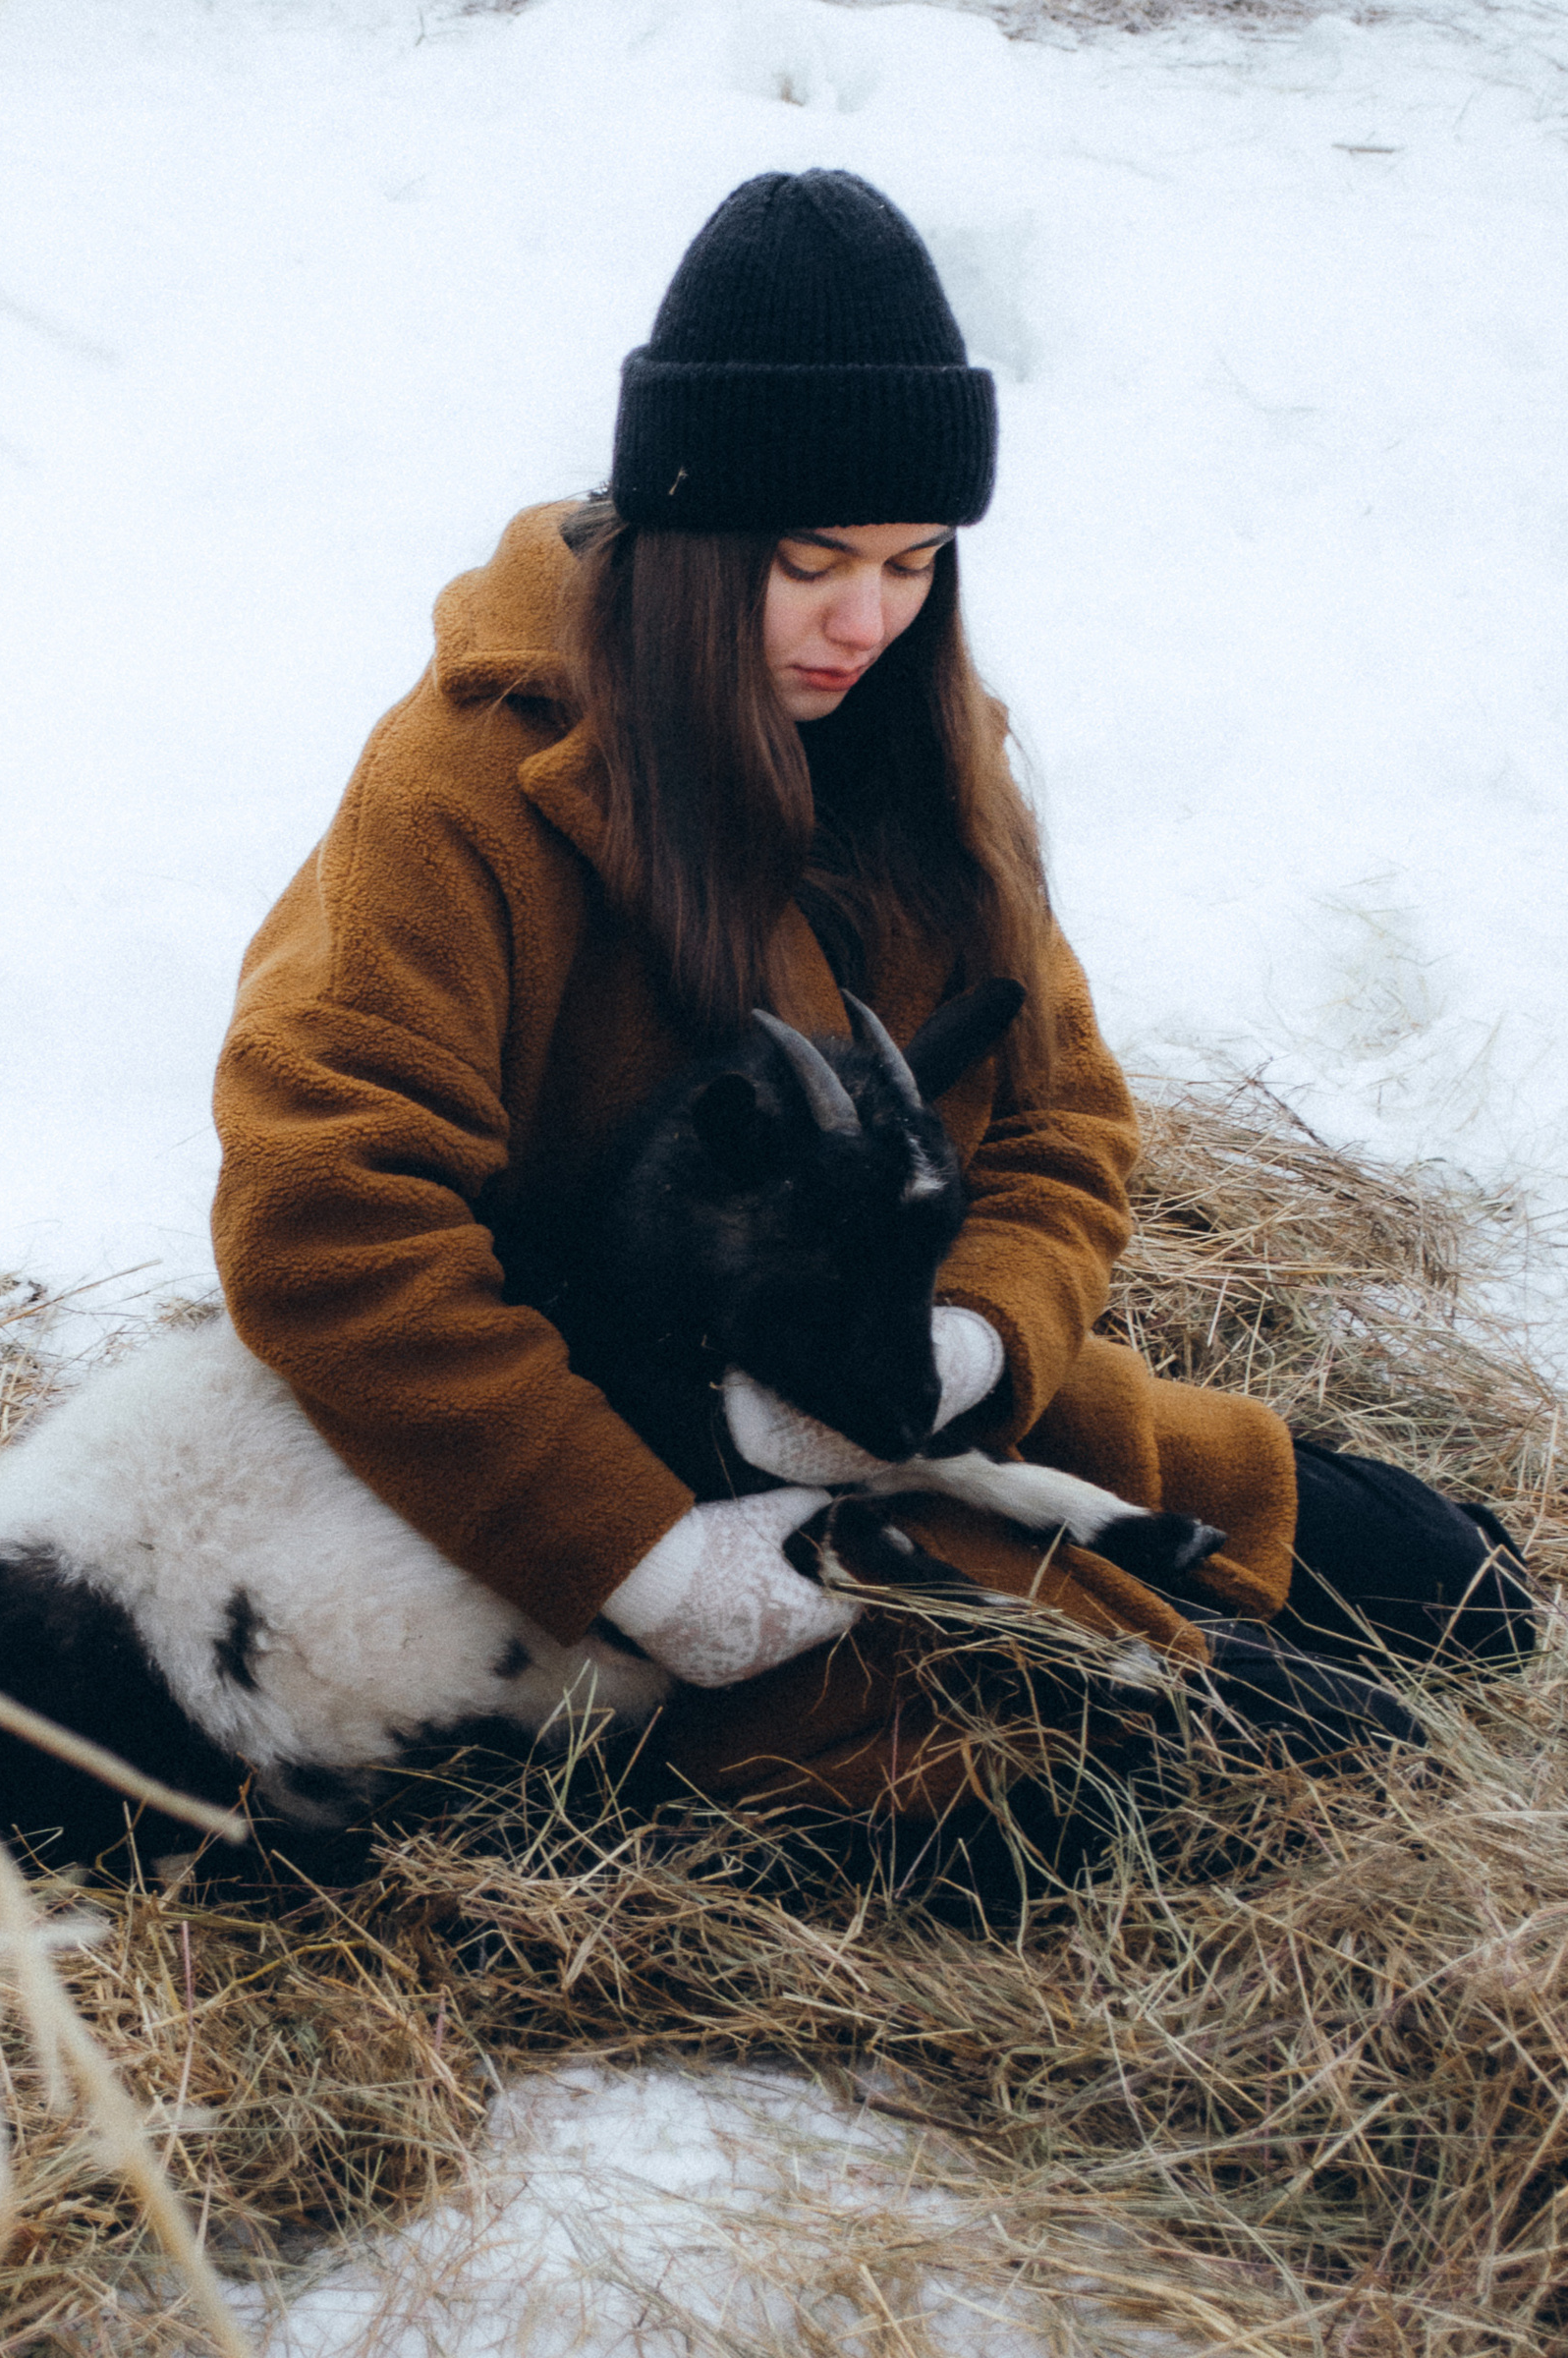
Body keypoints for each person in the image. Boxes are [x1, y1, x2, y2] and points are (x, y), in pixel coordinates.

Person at [210, 171, 1530, 1853]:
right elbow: (323, 1220)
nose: (867, 621)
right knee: (1221, 1779)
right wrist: (643, 1562)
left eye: (915, 562)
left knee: (1467, 1592)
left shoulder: (926, 748)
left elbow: (1063, 1125)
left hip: (929, 1434)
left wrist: (970, 1344)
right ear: (689, 539)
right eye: (812, 561)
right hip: (625, 1471)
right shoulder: (460, 790)